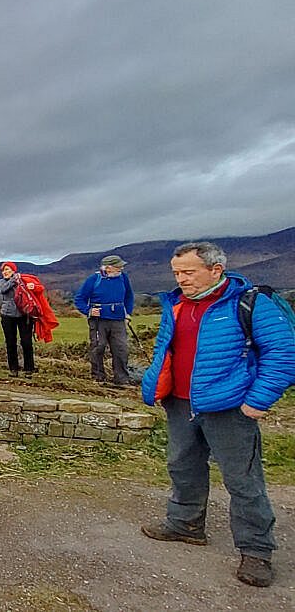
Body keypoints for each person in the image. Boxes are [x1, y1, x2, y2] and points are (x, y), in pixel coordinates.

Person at [140, 242, 295, 588]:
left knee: (243, 480)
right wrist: (155, 384)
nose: (181, 279)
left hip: (229, 407)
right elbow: (165, 348)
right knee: (182, 466)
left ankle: (256, 551)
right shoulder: (176, 304)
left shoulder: (251, 303)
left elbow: (283, 355)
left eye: (188, 272)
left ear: (215, 269)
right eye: (177, 273)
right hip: (180, 404)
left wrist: (257, 401)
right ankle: (185, 524)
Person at [74, 254, 134, 385]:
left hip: (118, 319)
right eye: (118, 266)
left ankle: (121, 378)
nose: (121, 268)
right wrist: (88, 310)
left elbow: (129, 296)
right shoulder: (94, 279)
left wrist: (128, 313)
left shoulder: (123, 278)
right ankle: (98, 376)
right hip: (98, 320)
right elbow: (79, 299)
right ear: (108, 268)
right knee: (98, 347)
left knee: (121, 348)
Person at [0, 262, 35, 377]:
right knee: (10, 342)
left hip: (24, 314)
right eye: (4, 270)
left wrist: (33, 287)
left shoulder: (23, 281)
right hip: (7, 315)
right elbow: (3, 289)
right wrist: (14, 280)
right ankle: (13, 369)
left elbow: (38, 288)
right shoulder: (2, 282)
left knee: (26, 342)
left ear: (13, 271)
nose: (5, 272)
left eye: (8, 269)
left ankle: (29, 369)